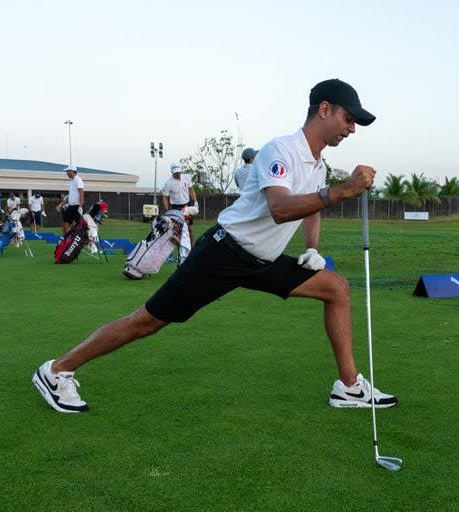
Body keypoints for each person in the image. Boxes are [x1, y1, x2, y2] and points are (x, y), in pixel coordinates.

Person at [33, 78, 397, 414]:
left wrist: (313, 248)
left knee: (336, 288)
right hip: (225, 252)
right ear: (324, 109)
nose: (351, 129)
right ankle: (57, 370)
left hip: (262, 261)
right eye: (349, 119)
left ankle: (349, 387)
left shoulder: (317, 164)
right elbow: (281, 208)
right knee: (147, 322)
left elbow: (313, 207)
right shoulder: (280, 150)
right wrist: (342, 190)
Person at [161, 163, 198, 245]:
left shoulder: (186, 178)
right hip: (176, 208)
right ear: (172, 172)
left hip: (187, 206)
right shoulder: (168, 183)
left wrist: (195, 201)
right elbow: (165, 197)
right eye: (176, 172)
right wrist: (167, 210)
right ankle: (180, 247)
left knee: (190, 229)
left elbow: (191, 190)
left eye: (179, 172)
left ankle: (192, 247)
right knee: (177, 230)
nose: (178, 174)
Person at [56, 166, 84, 235]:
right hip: (71, 206)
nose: (67, 173)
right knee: (65, 224)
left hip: (77, 206)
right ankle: (67, 240)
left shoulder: (78, 180)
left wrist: (80, 207)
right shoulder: (72, 181)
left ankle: (76, 241)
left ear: (72, 171)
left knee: (78, 226)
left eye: (68, 171)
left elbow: (81, 193)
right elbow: (69, 196)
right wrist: (61, 205)